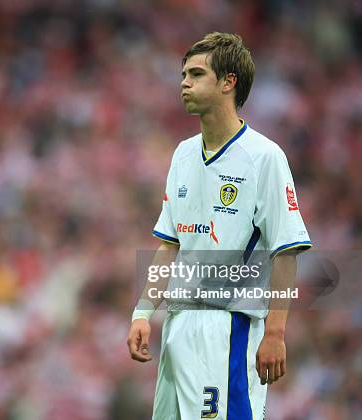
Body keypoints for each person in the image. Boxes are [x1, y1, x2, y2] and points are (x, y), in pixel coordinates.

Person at [127, 32, 312, 419]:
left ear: (228, 82)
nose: (184, 83)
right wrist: (144, 313)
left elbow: (287, 249)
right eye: (183, 74)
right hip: (178, 325)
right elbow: (169, 246)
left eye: (196, 74)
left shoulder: (264, 157)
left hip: (228, 328)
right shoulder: (182, 154)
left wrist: (276, 332)